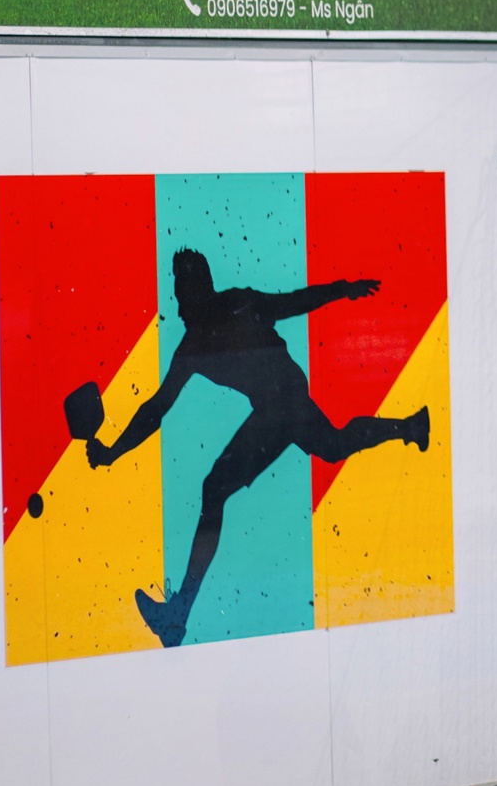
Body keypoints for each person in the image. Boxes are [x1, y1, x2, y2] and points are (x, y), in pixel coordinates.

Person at [87, 248, 430, 649]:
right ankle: (411, 427)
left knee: (216, 488)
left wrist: (342, 289)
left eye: (181, 294)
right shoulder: (194, 344)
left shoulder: (235, 306)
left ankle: (178, 616)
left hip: (281, 403)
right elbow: (156, 409)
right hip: (282, 403)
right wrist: (112, 452)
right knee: (333, 445)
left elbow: (293, 302)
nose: (177, 307)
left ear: (199, 290)